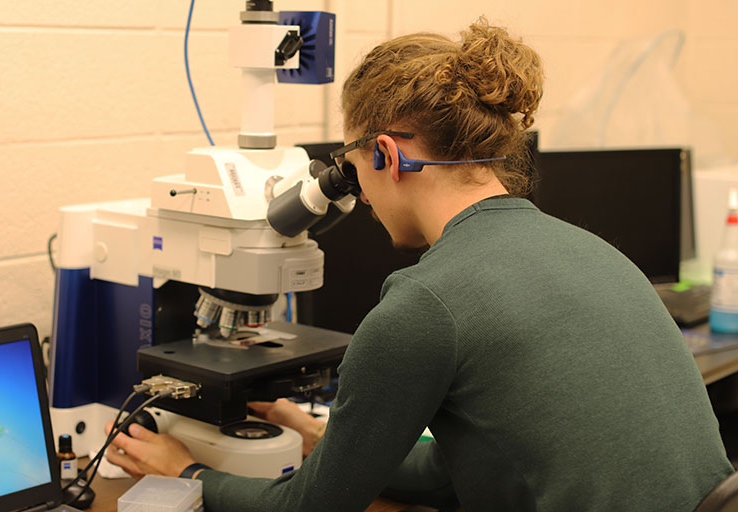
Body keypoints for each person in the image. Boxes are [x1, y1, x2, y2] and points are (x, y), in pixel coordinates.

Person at [104, 18, 735, 511]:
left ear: (385, 153)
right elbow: (462, 465)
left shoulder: (425, 303)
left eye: (350, 172)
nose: (362, 199)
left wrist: (182, 472)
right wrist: (325, 437)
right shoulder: (594, 252)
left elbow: (308, 507)